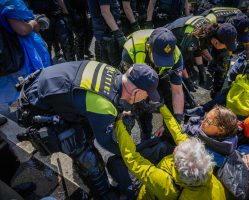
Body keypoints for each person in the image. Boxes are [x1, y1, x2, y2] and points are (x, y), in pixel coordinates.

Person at [16, 61, 160, 199]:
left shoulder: (114, 72)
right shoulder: (103, 105)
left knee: (89, 130)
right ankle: (103, 194)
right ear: (136, 91)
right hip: (34, 106)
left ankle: (80, 164)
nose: (145, 99)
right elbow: (106, 142)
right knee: (84, 152)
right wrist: (132, 154)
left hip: (42, 87)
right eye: (146, 95)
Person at [114, 104, 226, 199]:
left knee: (113, 162)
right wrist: (161, 107)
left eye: (176, 152)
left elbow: (133, 159)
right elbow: (178, 133)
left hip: (150, 194)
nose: (176, 147)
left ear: (176, 167)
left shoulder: (164, 182)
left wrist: (118, 123)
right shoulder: (208, 175)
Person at [121, 27, 185, 140]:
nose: (161, 64)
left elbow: (177, 91)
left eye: (165, 60)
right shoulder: (131, 50)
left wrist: (178, 119)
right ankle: (146, 134)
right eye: (159, 59)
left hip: (161, 75)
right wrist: (128, 110)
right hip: (137, 76)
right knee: (142, 108)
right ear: (148, 47)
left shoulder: (176, 55)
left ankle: (165, 132)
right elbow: (126, 86)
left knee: (169, 102)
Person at [0, 0, 50, 114]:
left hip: (6, 56)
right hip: (15, 53)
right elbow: (22, 30)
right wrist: (33, 24)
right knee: (31, 85)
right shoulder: (7, 1)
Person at [165, 16, 238, 90]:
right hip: (166, 39)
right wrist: (187, 80)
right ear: (216, 42)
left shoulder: (209, 29)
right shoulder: (193, 39)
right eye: (225, 46)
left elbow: (199, 48)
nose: (226, 49)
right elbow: (180, 61)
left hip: (180, 35)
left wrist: (201, 69)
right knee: (178, 73)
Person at [201, 8, 249, 81]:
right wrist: (211, 60)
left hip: (223, 33)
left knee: (224, 62)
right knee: (210, 50)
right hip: (207, 23)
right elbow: (201, 44)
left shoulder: (243, 25)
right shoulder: (212, 21)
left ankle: (218, 78)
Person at [87, 0, 125, 67]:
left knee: (106, 66)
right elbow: (105, 12)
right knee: (116, 66)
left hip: (102, 31)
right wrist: (118, 33)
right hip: (108, 32)